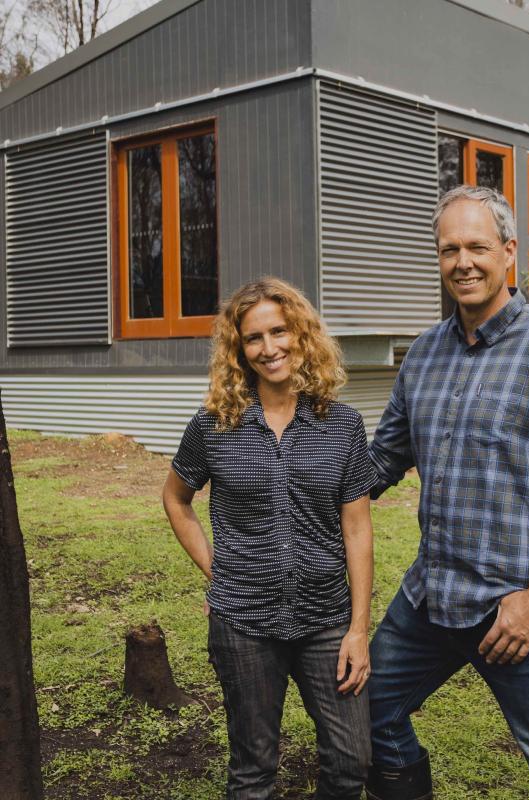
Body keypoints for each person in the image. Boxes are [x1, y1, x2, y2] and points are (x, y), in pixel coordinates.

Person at [365, 186, 529, 800]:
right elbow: (379, 461)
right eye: (449, 249)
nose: (462, 261)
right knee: (364, 712)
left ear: (508, 254)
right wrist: (297, 462)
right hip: (431, 597)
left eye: (477, 246)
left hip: (517, 611)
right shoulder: (422, 355)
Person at [162, 277, 375, 800]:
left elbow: (357, 528)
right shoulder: (213, 425)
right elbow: (176, 499)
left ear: (301, 336)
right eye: (253, 338)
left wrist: (358, 629)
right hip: (244, 625)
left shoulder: (343, 425)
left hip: (326, 618)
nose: (269, 348)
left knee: (352, 761)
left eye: (279, 332)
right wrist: (219, 571)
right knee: (253, 770)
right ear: (239, 350)